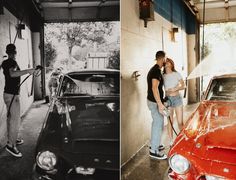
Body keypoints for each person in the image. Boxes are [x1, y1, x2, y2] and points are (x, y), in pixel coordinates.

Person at [1, 43, 39, 157]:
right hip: (12, 95)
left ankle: (13, 138)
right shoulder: (12, 62)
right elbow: (12, 74)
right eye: (14, 52)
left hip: (7, 94)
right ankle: (11, 146)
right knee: (15, 121)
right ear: (15, 52)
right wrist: (28, 71)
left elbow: (9, 73)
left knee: (10, 118)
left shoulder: (5, 63)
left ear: (7, 52)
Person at [147, 50, 167, 160]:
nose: (165, 61)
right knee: (158, 124)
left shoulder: (156, 69)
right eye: (165, 59)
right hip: (154, 102)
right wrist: (160, 104)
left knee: (158, 124)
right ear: (162, 58)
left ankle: (155, 144)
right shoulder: (156, 71)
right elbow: (154, 88)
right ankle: (153, 151)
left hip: (154, 101)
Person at [163, 58, 185, 146]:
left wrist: (175, 89)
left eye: (169, 63)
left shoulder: (176, 74)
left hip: (177, 99)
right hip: (168, 100)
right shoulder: (162, 75)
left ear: (172, 64)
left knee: (180, 122)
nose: (167, 65)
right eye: (165, 64)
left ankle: (183, 139)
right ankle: (171, 141)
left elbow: (183, 85)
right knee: (170, 121)